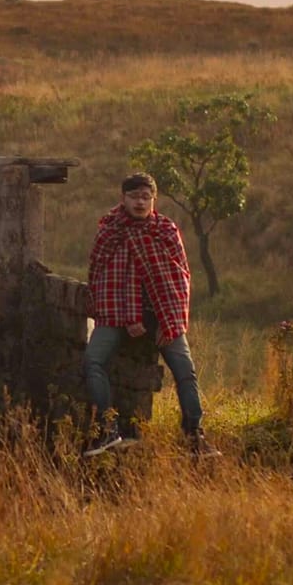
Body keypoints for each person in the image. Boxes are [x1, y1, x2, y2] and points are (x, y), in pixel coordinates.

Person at [82, 173, 210, 458]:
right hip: (115, 314)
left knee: (185, 370)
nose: (140, 203)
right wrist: (129, 316)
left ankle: (195, 434)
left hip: (161, 316)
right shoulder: (109, 232)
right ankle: (107, 428)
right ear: (123, 199)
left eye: (145, 197)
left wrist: (166, 322)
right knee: (92, 361)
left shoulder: (165, 231)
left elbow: (179, 280)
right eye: (134, 197)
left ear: (154, 200)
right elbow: (99, 276)